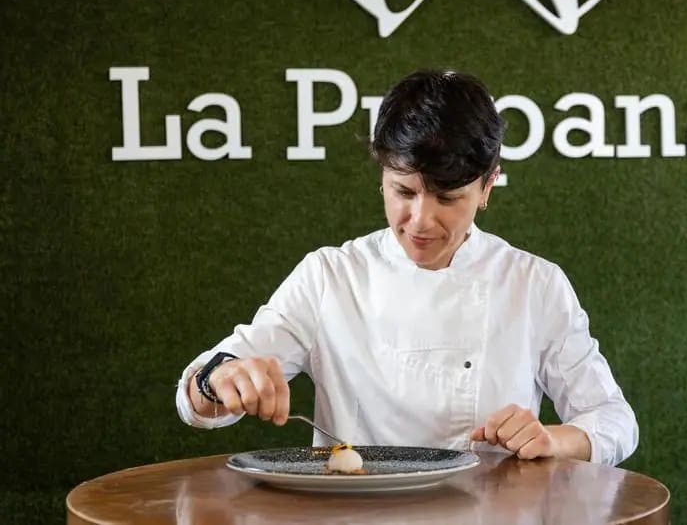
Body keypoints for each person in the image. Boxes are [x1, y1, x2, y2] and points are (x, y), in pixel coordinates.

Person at [176, 69, 638, 466]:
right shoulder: (330, 276)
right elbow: (197, 396)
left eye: (447, 198)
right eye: (404, 191)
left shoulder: (534, 284)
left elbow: (614, 419)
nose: (420, 221)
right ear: (382, 174)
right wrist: (218, 382)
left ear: (488, 186)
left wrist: (555, 439)